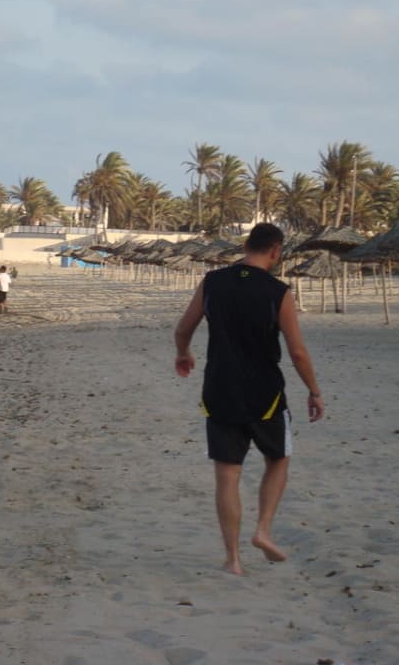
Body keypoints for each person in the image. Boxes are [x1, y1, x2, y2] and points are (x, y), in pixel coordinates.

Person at [173, 223, 324, 576]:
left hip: (220, 389)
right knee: (279, 458)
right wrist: (314, 391)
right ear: (276, 251)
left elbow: (183, 328)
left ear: (245, 246)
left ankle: (233, 560)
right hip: (265, 392)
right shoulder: (278, 291)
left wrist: (184, 353)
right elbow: (297, 351)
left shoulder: (213, 282)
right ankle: (263, 530)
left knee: (227, 475)